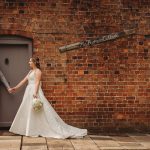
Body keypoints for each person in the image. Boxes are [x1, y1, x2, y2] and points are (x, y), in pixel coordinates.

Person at [9, 57, 87, 138]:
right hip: (28, 91)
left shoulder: (38, 71)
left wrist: (35, 93)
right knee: (28, 110)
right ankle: (29, 129)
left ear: (34, 62)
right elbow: (23, 80)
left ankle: (38, 129)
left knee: (38, 110)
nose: (28, 62)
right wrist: (16, 88)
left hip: (34, 91)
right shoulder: (30, 71)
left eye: (30, 61)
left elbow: (37, 83)